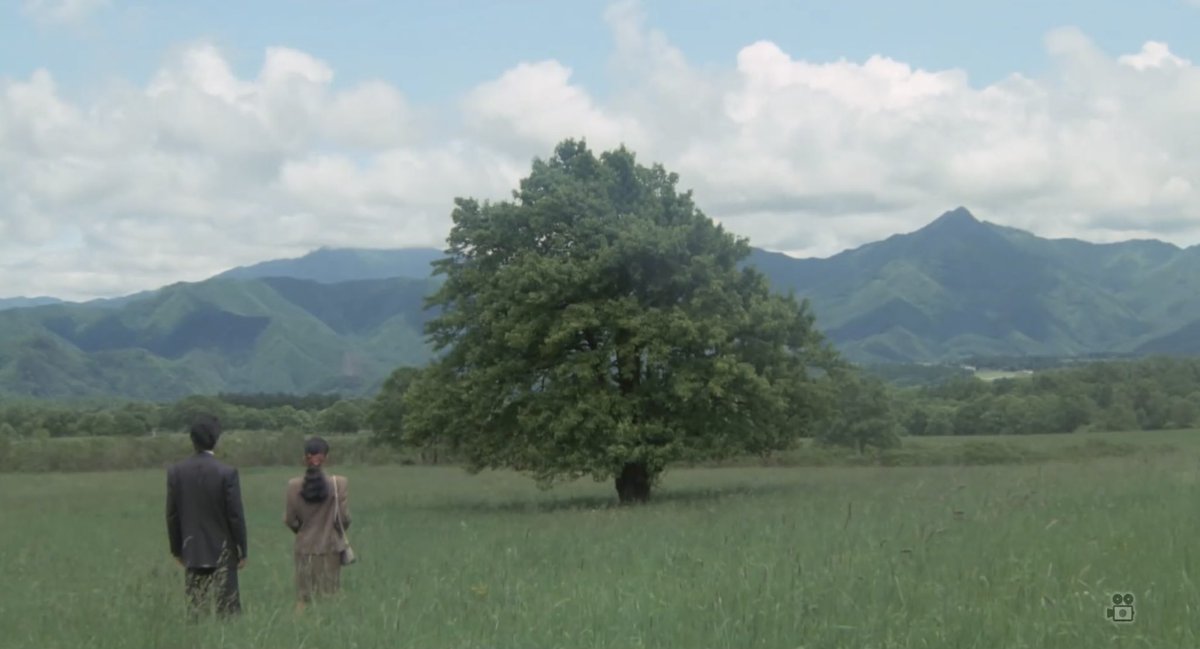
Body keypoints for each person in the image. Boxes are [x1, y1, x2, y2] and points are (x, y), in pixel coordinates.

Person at [166, 414, 248, 618]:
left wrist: (177, 549)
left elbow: (172, 515)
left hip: (192, 551)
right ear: (216, 439)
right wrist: (242, 549)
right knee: (228, 613)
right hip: (224, 552)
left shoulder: (177, 472)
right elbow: (235, 515)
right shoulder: (226, 473)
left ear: (192, 439)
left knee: (196, 611)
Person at [284, 437, 350, 610]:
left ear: (305, 457)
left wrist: (302, 531)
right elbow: (343, 519)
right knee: (331, 596)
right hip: (331, 547)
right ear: (326, 458)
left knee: (303, 598)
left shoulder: (293, 485)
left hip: (304, 547)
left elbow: (290, 520)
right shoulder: (339, 483)